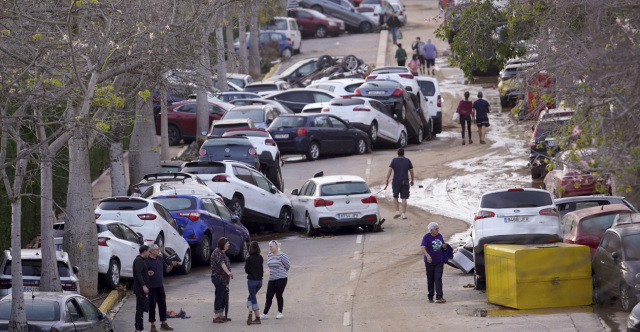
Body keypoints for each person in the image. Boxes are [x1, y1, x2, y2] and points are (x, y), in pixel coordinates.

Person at [146, 244, 178, 332]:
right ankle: (152, 325)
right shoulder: (147, 261)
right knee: (152, 306)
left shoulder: (160, 258)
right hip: (151, 287)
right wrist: (148, 273)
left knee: (162, 305)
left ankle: (163, 323)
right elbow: (143, 273)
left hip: (160, 286)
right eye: (157, 249)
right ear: (152, 251)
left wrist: (171, 265)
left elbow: (166, 269)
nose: (158, 251)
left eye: (158, 249)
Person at [260, 240, 290, 320]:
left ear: (276, 247)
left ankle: (280, 312)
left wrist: (281, 272)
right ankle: (265, 313)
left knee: (278, 295)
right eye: (269, 246)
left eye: (271, 246)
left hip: (281, 278)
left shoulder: (282, 255)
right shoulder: (269, 255)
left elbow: (287, 265)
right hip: (272, 278)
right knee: (268, 295)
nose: (270, 248)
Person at [420, 222, 448, 303]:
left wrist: (444, 246)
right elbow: (422, 248)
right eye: (436, 229)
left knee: (438, 278)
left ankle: (439, 296)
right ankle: (430, 295)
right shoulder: (426, 237)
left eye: (438, 228)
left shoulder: (439, 235)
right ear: (431, 230)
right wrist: (428, 256)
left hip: (439, 260)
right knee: (430, 279)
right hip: (429, 262)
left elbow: (442, 244)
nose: (438, 230)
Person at [385, 148, 414, 219]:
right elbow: (411, 172)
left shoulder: (394, 160)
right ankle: (404, 214)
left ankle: (397, 211)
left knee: (395, 196)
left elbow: (390, 171)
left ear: (397, 153)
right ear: (404, 153)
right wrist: (412, 180)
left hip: (396, 181)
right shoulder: (407, 160)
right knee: (404, 197)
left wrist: (387, 179)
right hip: (405, 181)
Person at [211, 237, 233, 324]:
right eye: (227, 243)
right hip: (218, 278)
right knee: (219, 296)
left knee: (223, 297)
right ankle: (216, 316)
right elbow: (222, 263)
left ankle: (221, 315)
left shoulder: (222, 253)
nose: (229, 245)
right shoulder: (217, 252)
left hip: (223, 279)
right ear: (223, 244)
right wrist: (228, 272)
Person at [245, 241, 264, 325]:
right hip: (260, 281)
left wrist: (247, 260)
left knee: (253, 298)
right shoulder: (260, 258)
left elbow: (246, 270)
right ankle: (251, 313)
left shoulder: (249, 259)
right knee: (251, 297)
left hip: (252, 280)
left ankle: (256, 317)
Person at [133, 245, 151, 332]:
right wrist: (144, 286)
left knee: (140, 309)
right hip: (140, 289)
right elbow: (138, 274)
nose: (149, 253)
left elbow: (141, 272)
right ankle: (139, 328)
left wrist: (147, 273)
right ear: (144, 251)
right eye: (148, 251)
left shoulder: (141, 261)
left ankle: (138, 328)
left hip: (140, 289)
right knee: (140, 309)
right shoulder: (139, 260)